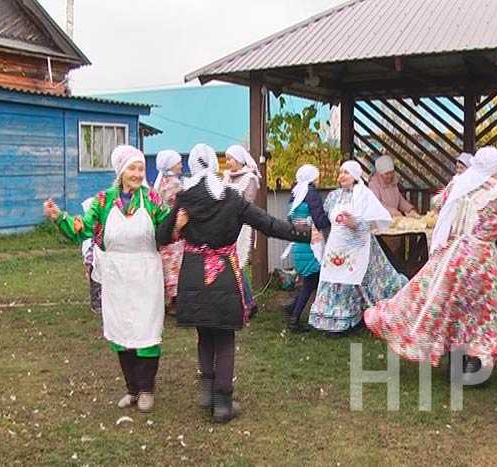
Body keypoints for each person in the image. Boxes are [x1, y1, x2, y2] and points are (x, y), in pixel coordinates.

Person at [363, 147, 497, 380]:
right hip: (479, 260)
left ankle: (456, 358)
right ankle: (472, 365)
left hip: (451, 256)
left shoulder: (459, 185)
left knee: (447, 305)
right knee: (481, 312)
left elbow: (438, 201)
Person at [156, 143, 310, 423]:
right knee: (225, 337)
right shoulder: (231, 198)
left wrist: (178, 225)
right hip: (224, 273)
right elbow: (270, 225)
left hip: (193, 274)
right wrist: (307, 235)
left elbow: (162, 235)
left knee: (204, 334)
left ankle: (207, 392)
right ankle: (223, 403)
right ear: (216, 166)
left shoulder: (185, 199)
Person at [43, 145, 170, 413]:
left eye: (139, 168)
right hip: (116, 274)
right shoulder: (103, 201)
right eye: (131, 168)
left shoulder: (152, 200)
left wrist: (182, 222)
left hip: (146, 270)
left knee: (146, 329)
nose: (137, 173)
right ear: (121, 172)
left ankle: (147, 389)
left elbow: (169, 227)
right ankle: (132, 389)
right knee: (122, 330)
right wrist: (60, 218)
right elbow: (83, 228)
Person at [308, 161, 408, 334]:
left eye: (346, 172)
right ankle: (330, 321)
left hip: (357, 247)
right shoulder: (334, 196)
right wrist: (313, 228)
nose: (341, 176)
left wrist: (355, 223)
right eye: (340, 173)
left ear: (355, 175)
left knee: (353, 280)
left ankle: (352, 319)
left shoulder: (364, 195)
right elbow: (323, 218)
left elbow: (375, 220)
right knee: (333, 279)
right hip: (336, 246)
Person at [284, 164, 330, 333]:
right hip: (312, 245)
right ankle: (294, 320)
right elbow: (320, 221)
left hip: (299, 244)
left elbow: (290, 220)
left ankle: (293, 308)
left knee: (311, 281)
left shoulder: (294, 194)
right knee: (311, 282)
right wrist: (333, 217)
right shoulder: (312, 195)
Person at [223, 144, 261, 314]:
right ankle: (242, 300)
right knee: (229, 263)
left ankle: (248, 301)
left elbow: (248, 204)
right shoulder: (227, 178)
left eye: (230, 158)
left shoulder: (249, 179)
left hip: (241, 226)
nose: (228, 162)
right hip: (226, 225)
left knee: (236, 263)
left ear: (239, 159)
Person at [154, 149, 185, 312]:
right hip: (175, 229)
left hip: (163, 229)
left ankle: (168, 300)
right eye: (178, 162)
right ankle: (175, 302)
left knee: (166, 265)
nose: (181, 165)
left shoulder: (160, 182)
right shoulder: (175, 184)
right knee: (176, 266)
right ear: (172, 164)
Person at [80, 197, 102, 314]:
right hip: (93, 256)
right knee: (95, 279)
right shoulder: (90, 227)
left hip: (102, 256)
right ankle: (96, 302)